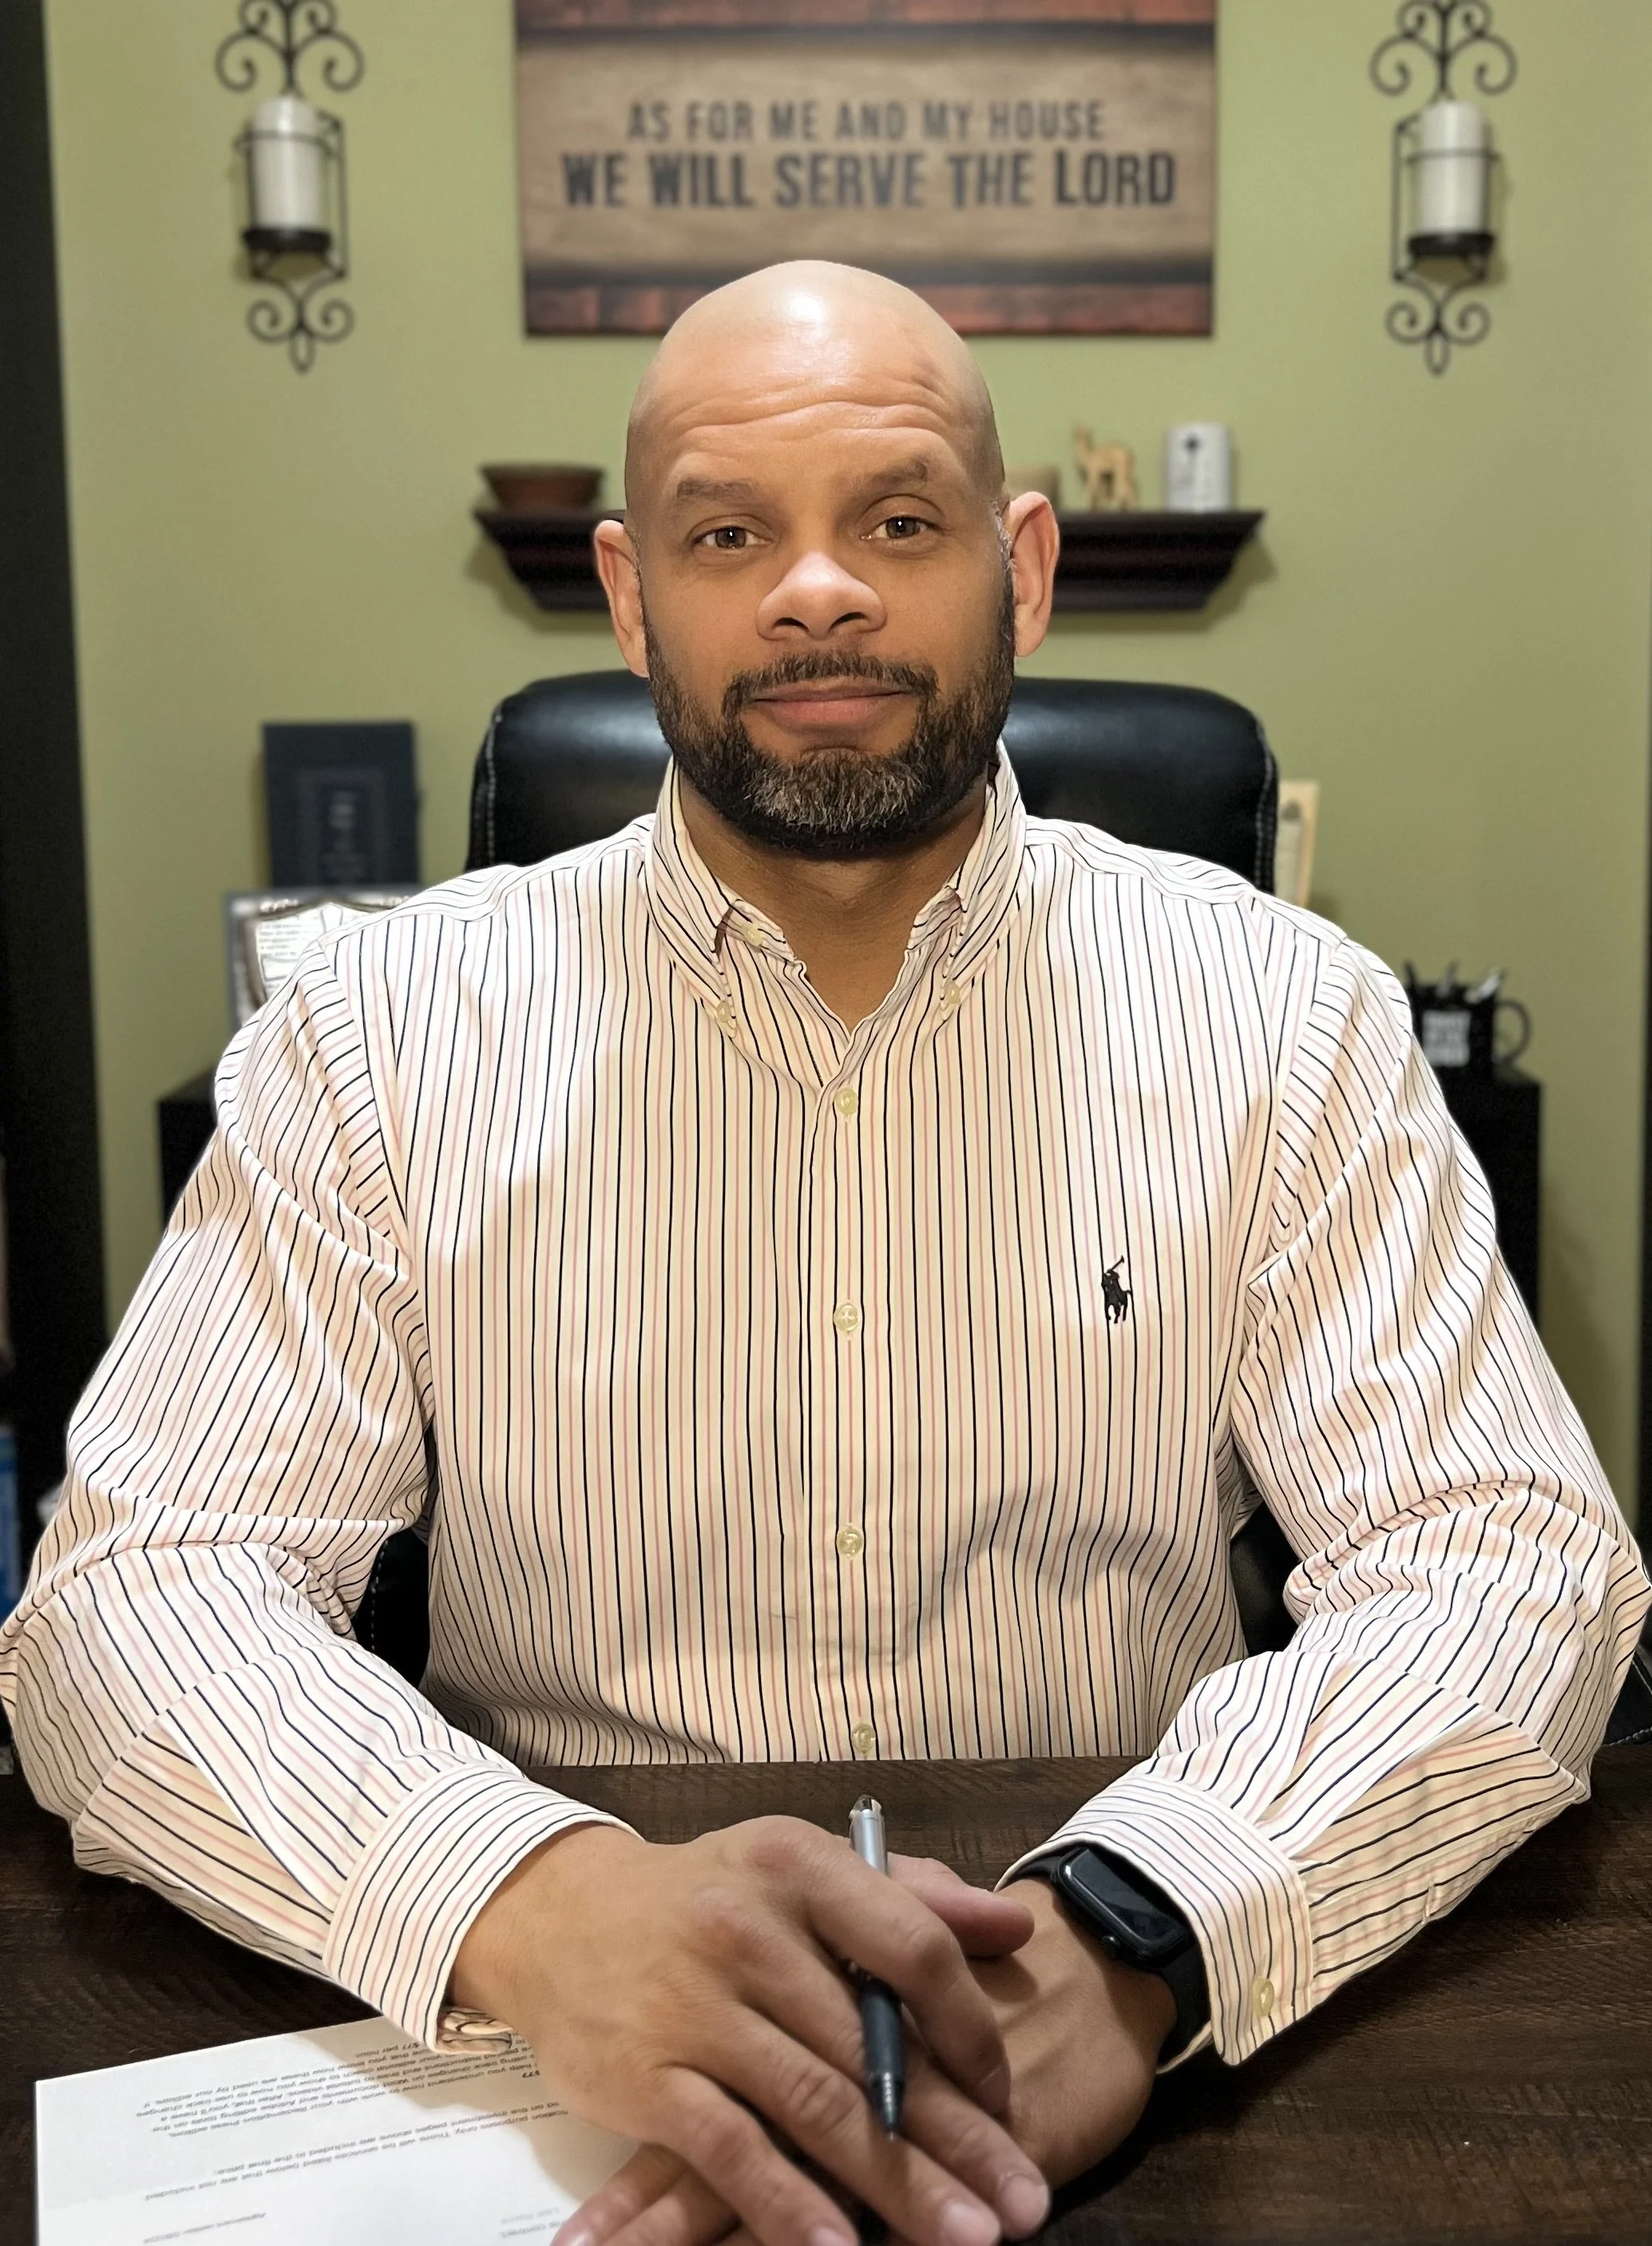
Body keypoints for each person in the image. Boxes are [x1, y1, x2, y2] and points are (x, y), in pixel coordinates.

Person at [2, 261, 1646, 2246]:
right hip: (552, 2039)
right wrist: (531, 1901)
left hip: (1143, 2017)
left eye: (896, 521)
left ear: (1017, 566)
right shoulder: (374, 1035)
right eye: (725, 533)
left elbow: (1500, 1557)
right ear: (627, 597)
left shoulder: (1280, 1016)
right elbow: (141, 1592)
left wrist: (1133, 1931)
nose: (815, 592)